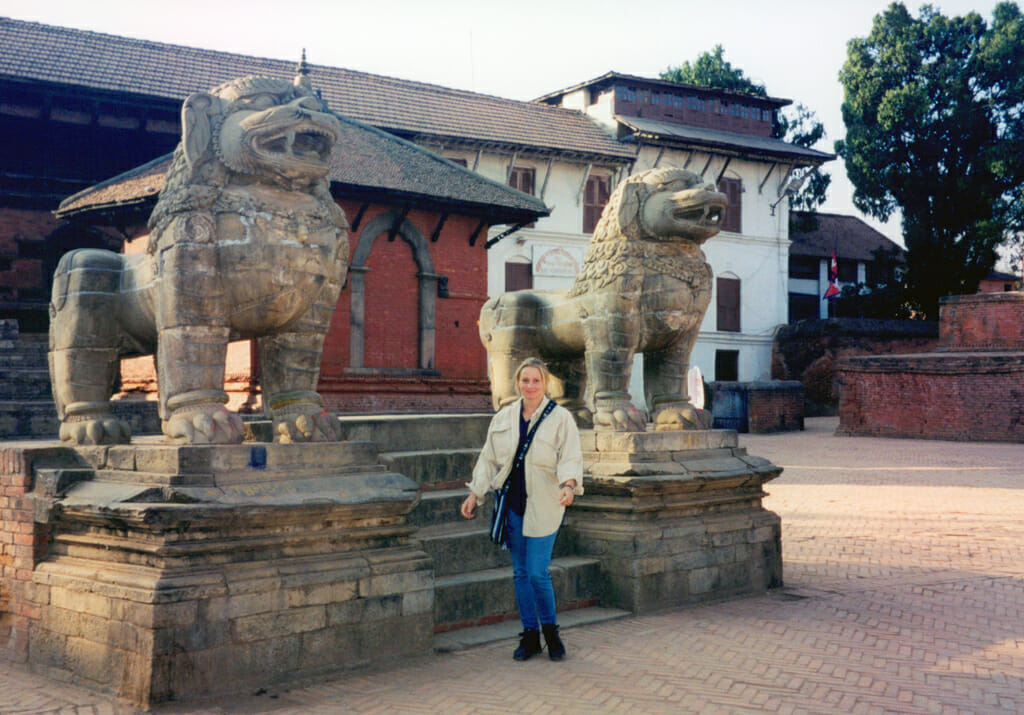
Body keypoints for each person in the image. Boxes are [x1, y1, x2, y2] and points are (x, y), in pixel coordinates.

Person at [460, 357, 584, 661]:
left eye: (536, 381)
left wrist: (568, 485)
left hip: (546, 503)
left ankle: (551, 634)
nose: (530, 386)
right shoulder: (503, 418)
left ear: (545, 384)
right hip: (513, 506)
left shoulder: (561, 418)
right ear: (518, 383)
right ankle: (530, 635)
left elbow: (571, 456)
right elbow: (488, 459)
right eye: (525, 380)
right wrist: (475, 494)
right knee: (519, 573)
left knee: (537, 572)